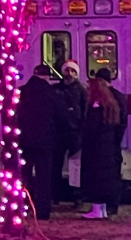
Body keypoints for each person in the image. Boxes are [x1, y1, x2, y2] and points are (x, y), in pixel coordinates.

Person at [17, 64, 64, 220]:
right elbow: (60, 115)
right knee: (44, 177)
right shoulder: (51, 93)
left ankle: (24, 205)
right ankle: (43, 211)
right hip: (45, 142)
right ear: (47, 77)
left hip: (24, 140)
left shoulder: (23, 91)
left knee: (25, 175)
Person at [80, 76, 123, 219]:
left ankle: (96, 210)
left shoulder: (95, 108)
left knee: (96, 178)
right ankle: (103, 210)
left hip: (96, 148)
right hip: (108, 147)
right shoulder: (111, 105)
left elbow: (90, 129)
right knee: (105, 179)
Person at [53, 59, 88, 206]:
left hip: (75, 132)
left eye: (72, 71)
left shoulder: (81, 90)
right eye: (67, 70)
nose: (69, 74)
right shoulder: (56, 89)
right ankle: (55, 194)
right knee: (56, 164)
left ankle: (77, 195)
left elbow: (85, 109)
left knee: (76, 165)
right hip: (59, 132)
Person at [95, 68, 128, 216]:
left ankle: (105, 205)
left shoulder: (101, 97)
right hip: (114, 141)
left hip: (105, 141)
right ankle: (113, 204)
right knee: (115, 173)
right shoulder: (120, 97)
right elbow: (123, 121)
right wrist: (118, 138)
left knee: (104, 175)